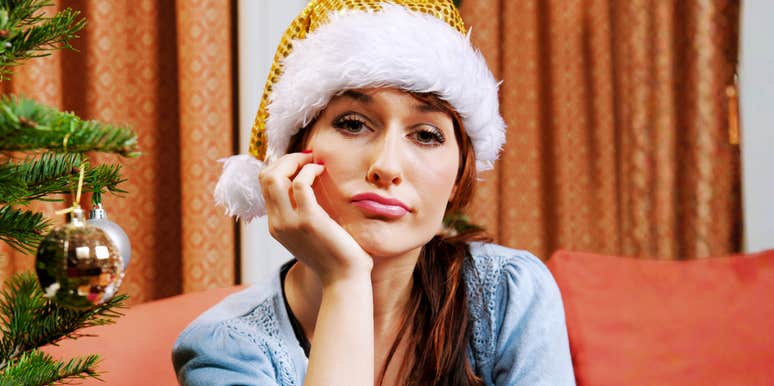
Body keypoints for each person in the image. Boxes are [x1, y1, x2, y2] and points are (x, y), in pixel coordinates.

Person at [173, 1, 575, 385]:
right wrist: (345, 281)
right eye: (352, 124)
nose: (386, 166)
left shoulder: (508, 294)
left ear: (457, 178)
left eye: (426, 135)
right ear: (293, 157)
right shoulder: (225, 348)